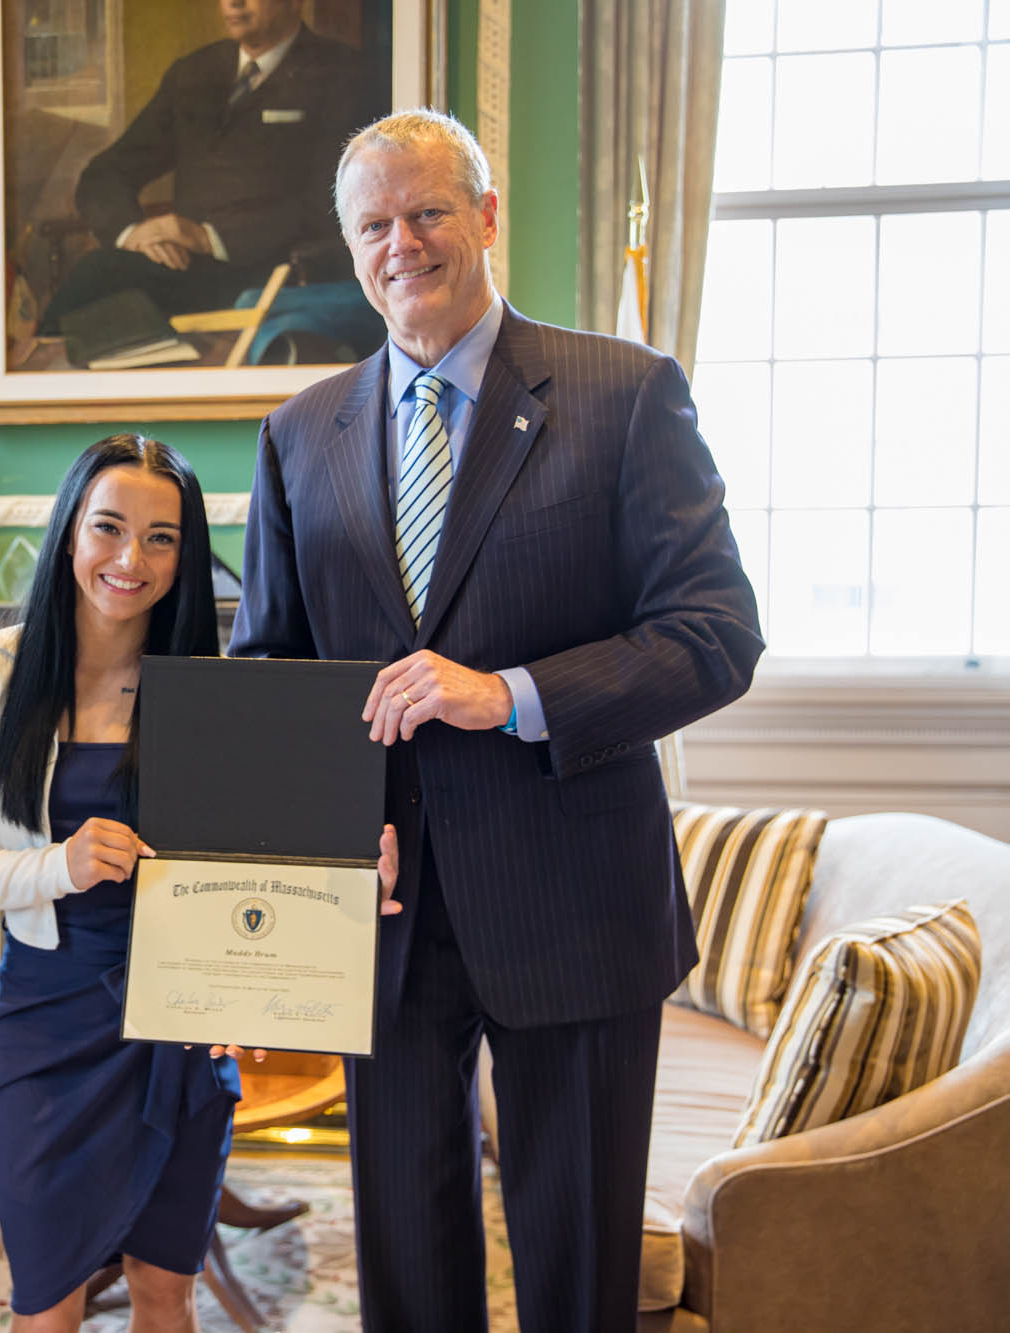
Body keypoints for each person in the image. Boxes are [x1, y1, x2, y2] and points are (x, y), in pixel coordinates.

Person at [230, 109, 764, 1332]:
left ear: (482, 216)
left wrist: (506, 694)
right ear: (348, 247)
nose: (400, 243)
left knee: (576, 1267)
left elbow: (713, 632)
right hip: (379, 915)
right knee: (406, 1267)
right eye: (372, 225)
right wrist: (322, 826)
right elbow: (275, 670)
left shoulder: (621, 394)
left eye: (425, 212)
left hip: (573, 900)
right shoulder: (298, 432)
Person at [0, 435, 399, 1329]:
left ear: (186, 558)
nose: (130, 560)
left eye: (163, 538)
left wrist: (350, 865)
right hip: (48, 1020)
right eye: (108, 528)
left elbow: (267, 864)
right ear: (70, 534)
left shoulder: (214, 694)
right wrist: (54, 865)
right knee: (47, 1296)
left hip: (182, 1017)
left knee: (164, 1289)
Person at [38, 0, 386, 336]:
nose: (233, 3)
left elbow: (334, 202)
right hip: (184, 269)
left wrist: (209, 238)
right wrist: (134, 234)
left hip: (279, 272)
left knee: (100, 278)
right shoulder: (193, 73)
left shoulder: (343, 75)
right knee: (95, 289)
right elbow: (105, 174)